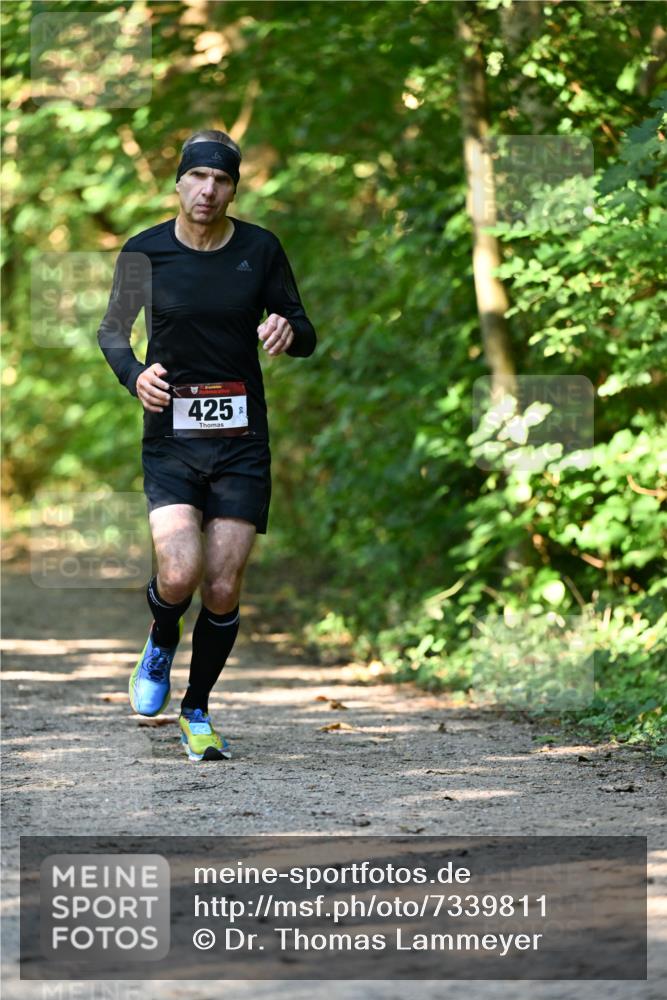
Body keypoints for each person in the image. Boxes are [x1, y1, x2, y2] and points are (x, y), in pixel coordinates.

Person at [97, 129, 316, 762]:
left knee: (222, 585)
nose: (208, 190)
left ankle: (196, 710)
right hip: (171, 436)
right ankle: (161, 636)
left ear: (233, 189)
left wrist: (285, 327)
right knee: (179, 571)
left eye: (221, 180)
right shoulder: (143, 253)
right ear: (179, 183)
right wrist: (134, 374)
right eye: (197, 177)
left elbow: (304, 331)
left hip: (242, 440)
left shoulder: (260, 248)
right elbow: (112, 332)